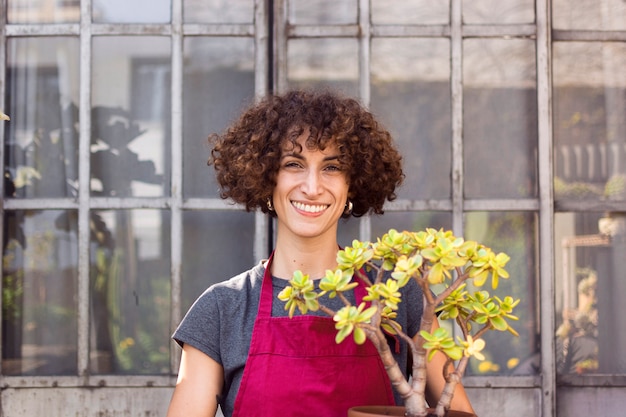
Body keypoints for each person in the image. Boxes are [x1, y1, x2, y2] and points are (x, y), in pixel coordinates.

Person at [166, 89, 477, 417]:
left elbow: (456, 408)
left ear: (352, 183)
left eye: (331, 167)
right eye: (293, 164)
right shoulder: (222, 309)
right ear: (264, 179)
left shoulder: (400, 293)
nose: (312, 187)